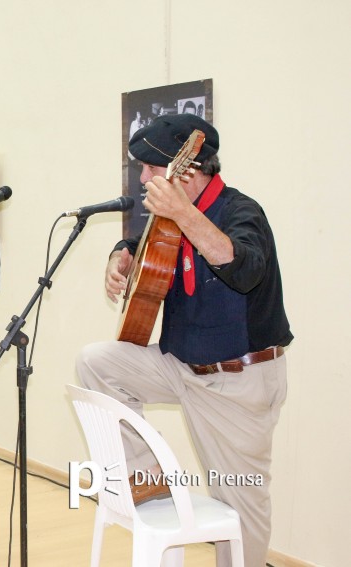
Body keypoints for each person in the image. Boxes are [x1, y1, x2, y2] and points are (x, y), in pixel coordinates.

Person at [76, 114, 292, 567]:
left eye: (151, 169)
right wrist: (119, 255)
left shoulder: (241, 212)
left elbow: (244, 268)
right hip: (180, 367)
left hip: (238, 380)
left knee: (239, 504)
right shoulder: (166, 218)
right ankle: (145, 475)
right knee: (97, 362)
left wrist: (184, 213)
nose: (142, 178)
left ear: (186, 173)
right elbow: (141, 243)